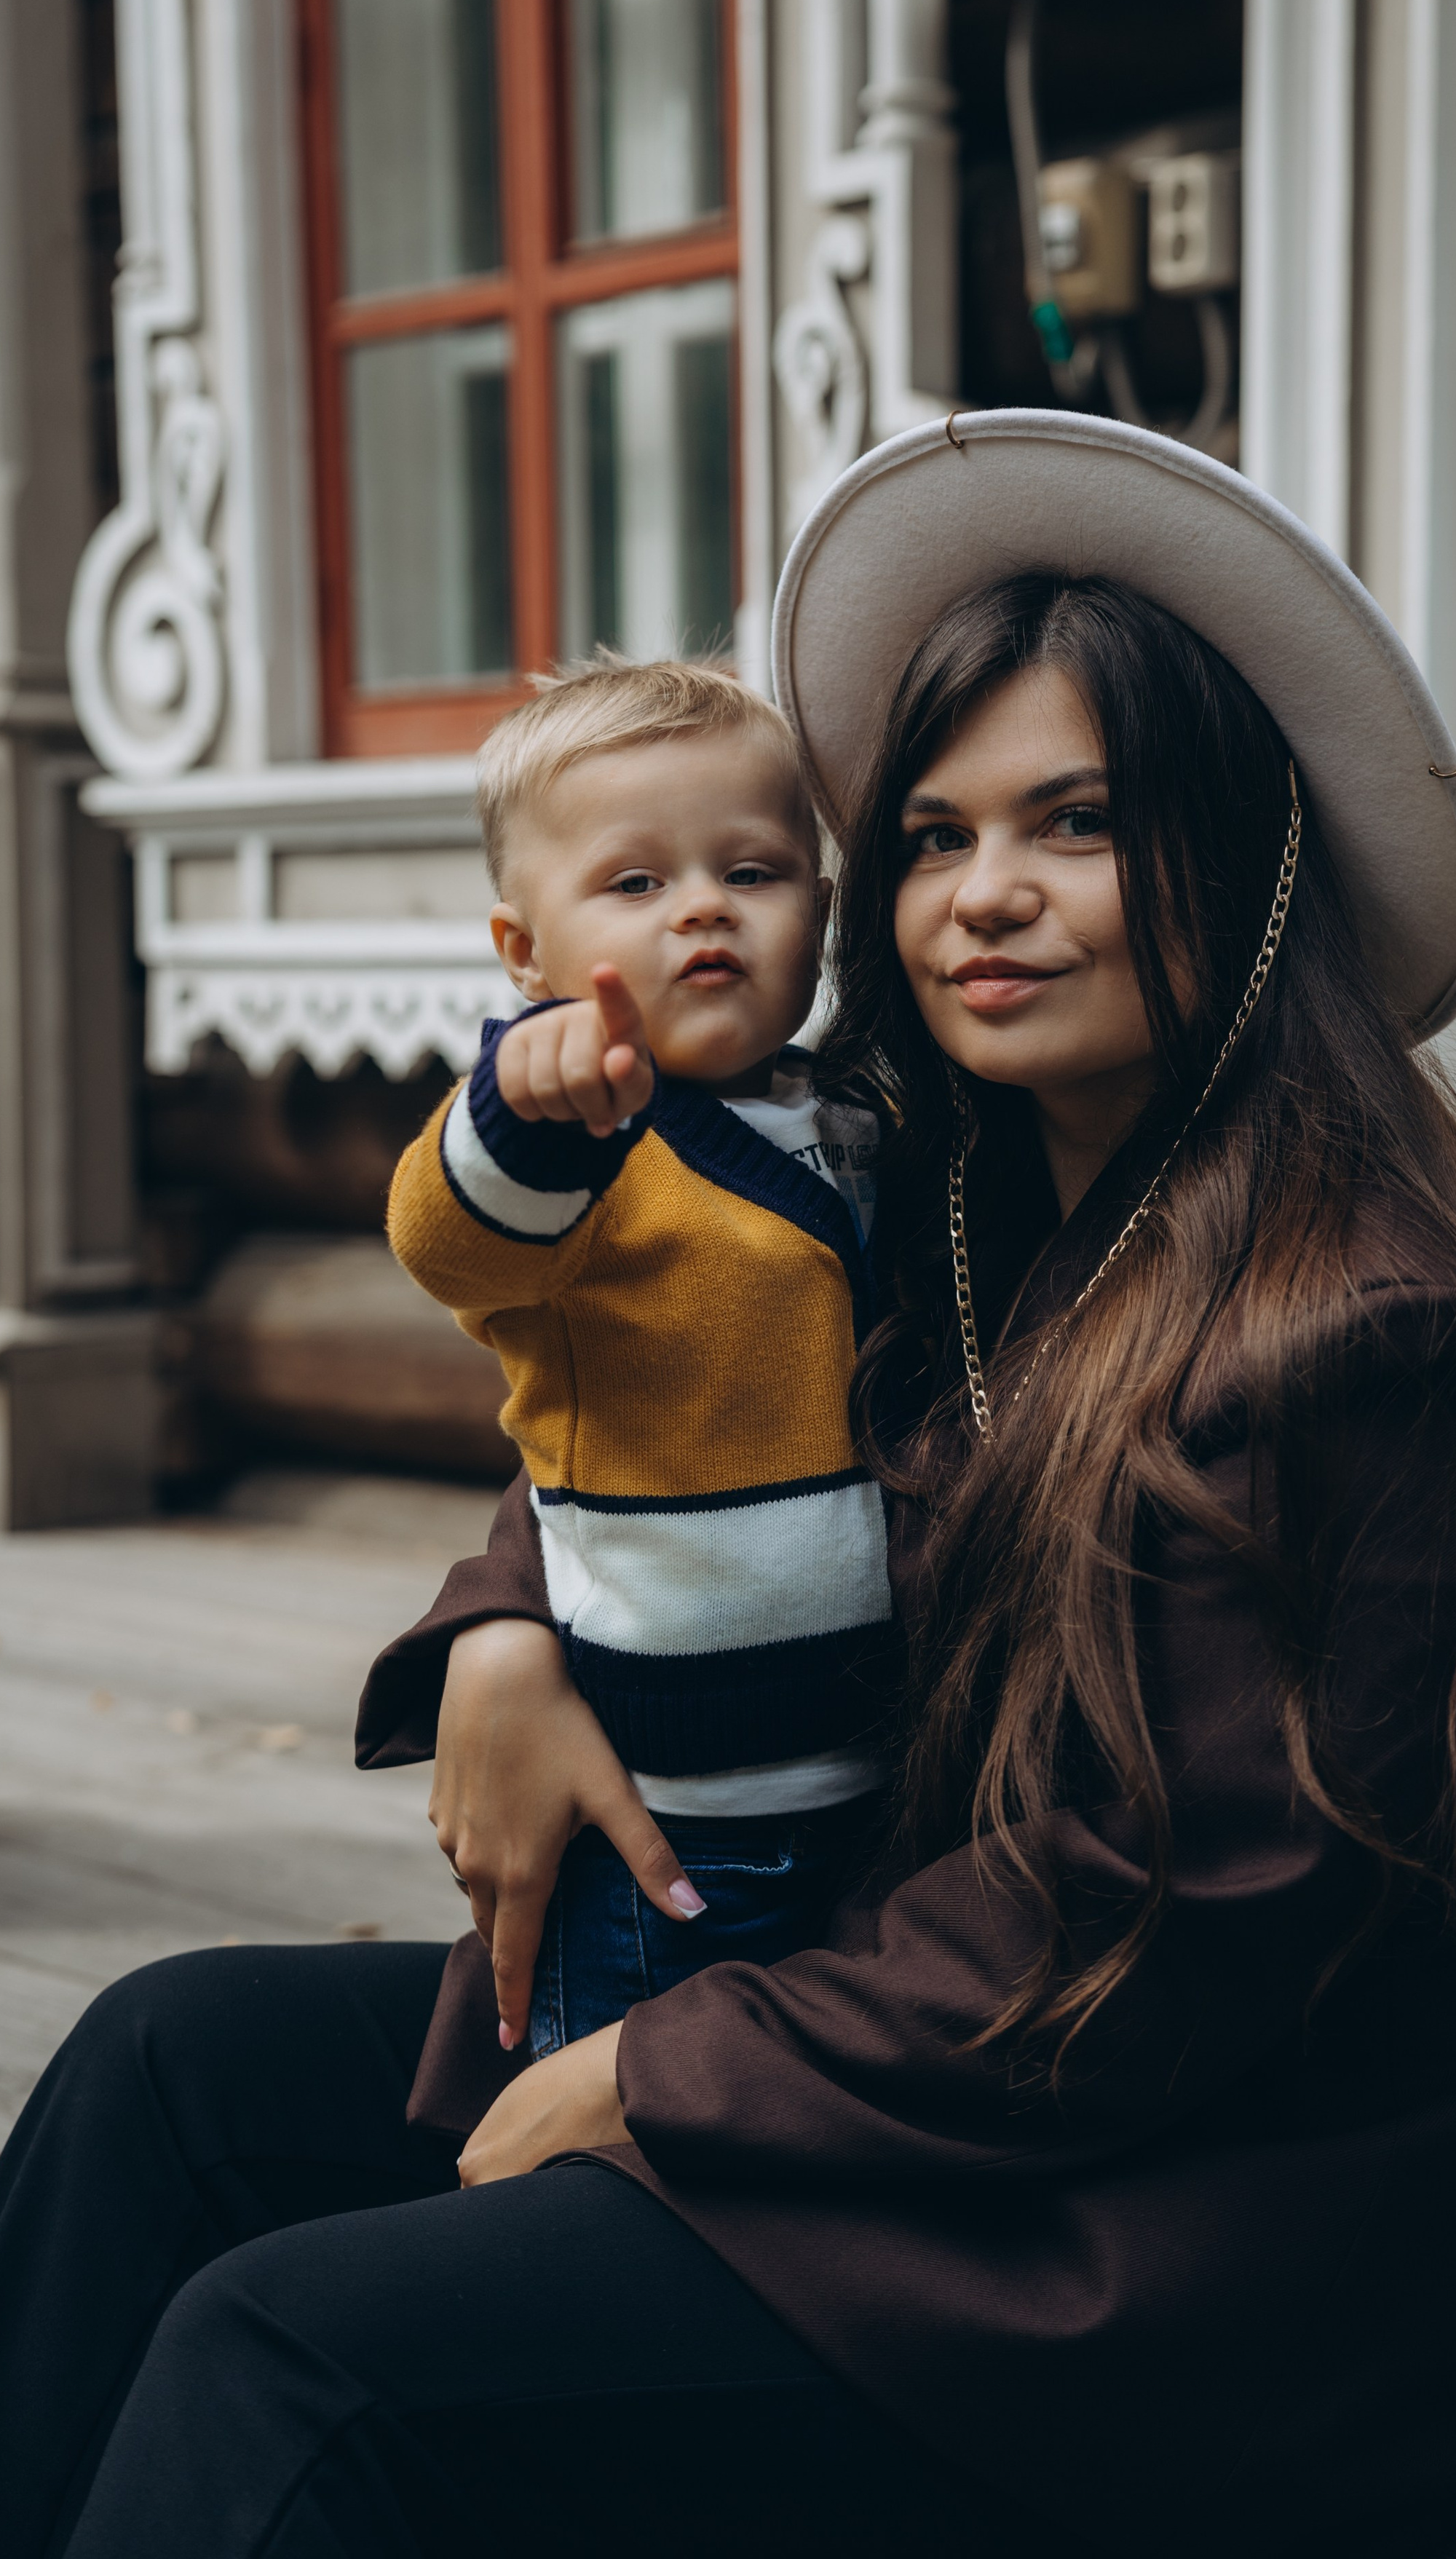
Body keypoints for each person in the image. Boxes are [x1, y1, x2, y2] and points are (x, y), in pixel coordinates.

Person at [0, 414, 1456, 2559]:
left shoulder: (1383, 1345)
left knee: (300, 2342)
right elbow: (671, 1381)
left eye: (1077, 822)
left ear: (1242, 854)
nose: (983, 896)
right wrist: (507, 1625)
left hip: (1208, 2229)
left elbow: (1171, 1928)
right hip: (893, 2025)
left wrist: (662, 2082)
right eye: (932, 836)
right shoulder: (937, 1194)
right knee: (164, 2069)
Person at [384, 659, 890, 2089]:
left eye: (752, 868)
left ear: (820, 906)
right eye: (632, 883)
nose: (700, 907)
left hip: (872, 1777)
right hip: (666, 1807)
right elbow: (447, 1238)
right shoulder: (582, 1154)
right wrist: (523, 1106)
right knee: (620, 2100)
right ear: (522, 946)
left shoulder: (849, 1116)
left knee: (781, 2105)